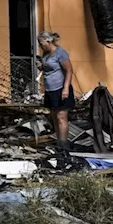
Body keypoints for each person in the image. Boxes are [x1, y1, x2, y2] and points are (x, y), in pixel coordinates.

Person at [39, 31, 78, 159]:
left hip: (61, 88)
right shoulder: (45, 54)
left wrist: (66, 88)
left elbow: (69, 70)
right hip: (50, 89)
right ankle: (58, 142)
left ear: (49, 42)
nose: (40, 46)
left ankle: (64, 145)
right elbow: (49, 68)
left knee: (62, 116)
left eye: (41, 43)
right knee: (54, 116)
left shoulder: (60, 53)